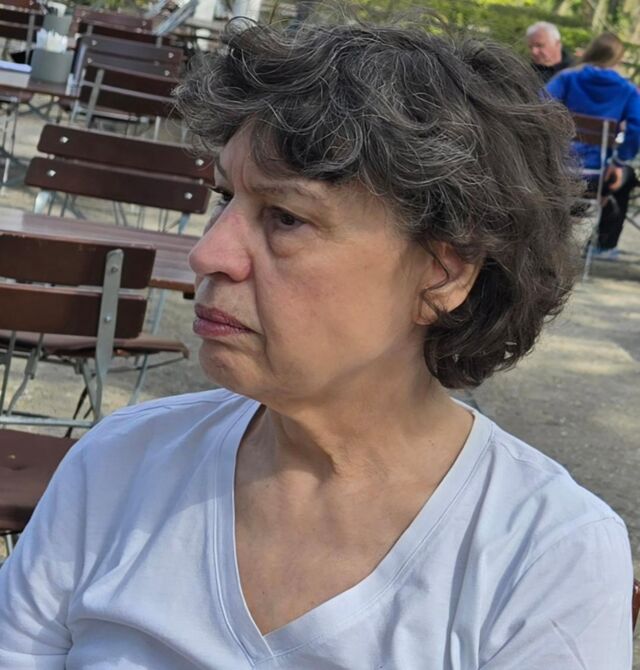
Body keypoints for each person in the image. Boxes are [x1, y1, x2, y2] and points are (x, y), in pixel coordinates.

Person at [0, 19, 633, 670]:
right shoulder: (120, 464)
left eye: (286, 218)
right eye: (225, 198)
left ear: (444, 274)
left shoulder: (543, 557)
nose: (208, 253)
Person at [547, 32, 640, 258]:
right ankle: (604, 245)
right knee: (625, 176)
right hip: (598, 178)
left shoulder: (567, 78)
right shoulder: (627, 90)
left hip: (557, 172)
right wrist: (618, 161)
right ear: (617, 58)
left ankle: (551, 236)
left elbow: (540, 108)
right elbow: (637, 128)